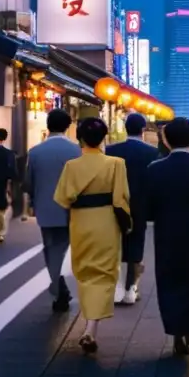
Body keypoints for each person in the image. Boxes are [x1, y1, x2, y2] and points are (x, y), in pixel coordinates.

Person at [54, 117, 131, 353]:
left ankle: (89, 325)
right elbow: (121, 198)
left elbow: (63, 199)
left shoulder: (71, 166)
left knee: (84, 269)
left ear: (81, 138)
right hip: (106, 221)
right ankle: (90, 328)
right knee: (105, 271)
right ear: (103, 138)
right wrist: (127, 222)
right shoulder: (116, 163)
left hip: (82, 222)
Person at [145, 117, 189, 354]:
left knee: (168, 278)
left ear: (165, 140)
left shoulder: (154, 170)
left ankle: (175, 331)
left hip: (165, 229)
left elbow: (148, 209)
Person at [26, 109, 80, 312]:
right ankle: (64, 286)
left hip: (46, 208)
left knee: (51, 248)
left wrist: (32, 202)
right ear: (68, 126)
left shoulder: (35, 152)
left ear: (48, 125)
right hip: (74, 210)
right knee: (72, 249)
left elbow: (29, 183)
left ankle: (58, 286)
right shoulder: (76, 151)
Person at [106, 113, 160, 305]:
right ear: (143, 129)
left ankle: (117, 289)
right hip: (140, 205)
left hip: (114, 205)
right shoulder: (152, 153)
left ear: (126, 128)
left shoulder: (111, 150)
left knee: (115, 246)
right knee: (136, 245)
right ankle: (131, 288)